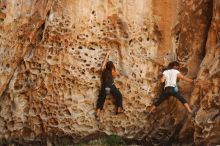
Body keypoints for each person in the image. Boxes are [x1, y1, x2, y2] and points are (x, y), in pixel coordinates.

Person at [95, 51, 124, 118]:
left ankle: (98, 112)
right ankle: (119, 108)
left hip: (105, 88)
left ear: (106, 66)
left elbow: (103, 64)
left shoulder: (103, 70)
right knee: (119, 95)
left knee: (101, 99)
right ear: (112, 67)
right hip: (111, 87)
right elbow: (117, 73)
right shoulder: (112, 72)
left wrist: (107, 55)